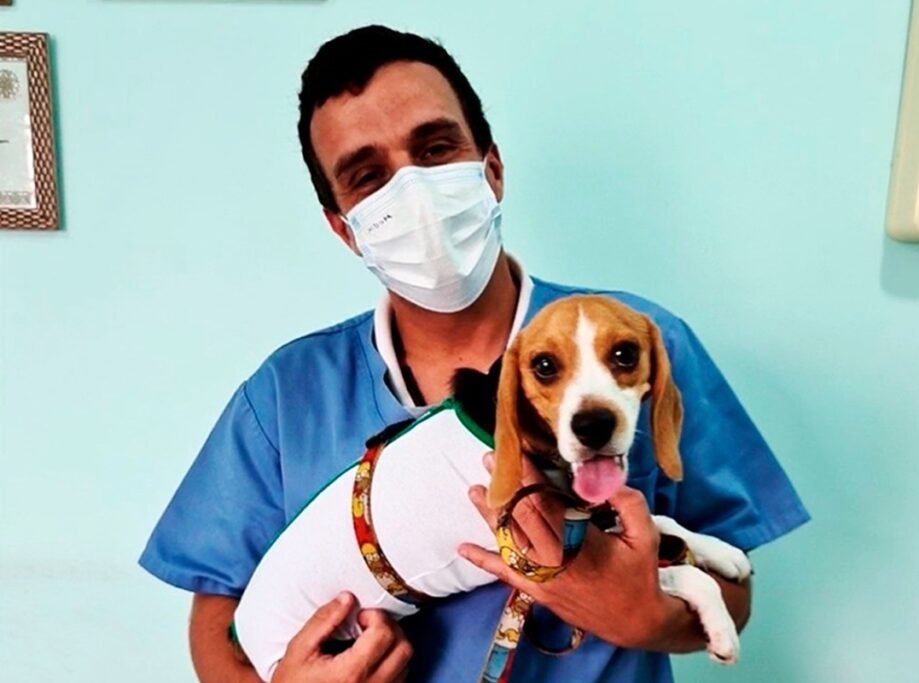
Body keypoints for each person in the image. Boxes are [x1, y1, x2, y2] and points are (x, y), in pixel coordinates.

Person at [140, 24, 809, 683]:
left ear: (491, 169)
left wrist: (645, 618)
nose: (414, 194)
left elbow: (734, 585)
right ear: (345, 229)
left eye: (435, 148)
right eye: (368, 176)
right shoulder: (286, 397)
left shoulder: (640, 341)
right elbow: (218, 618)